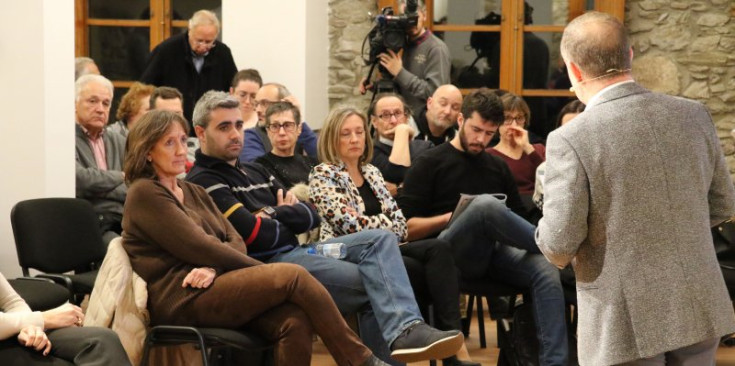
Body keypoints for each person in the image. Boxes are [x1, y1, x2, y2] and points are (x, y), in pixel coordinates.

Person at [185, 91, 463, 365]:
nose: (235, 134)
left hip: (301, 249)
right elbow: (253, 234)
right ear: (200, 132)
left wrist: (272, 214)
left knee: (379, 241)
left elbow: (310, 216)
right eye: (224, 127)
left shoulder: (252, 170)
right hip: (271, 265)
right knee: (376, 280)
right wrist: (282, 213)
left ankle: (407, 330)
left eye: (237, 125)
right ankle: (399, 338)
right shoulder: (205, 179)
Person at [536, 11, 735, 366]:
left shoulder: (571, 138)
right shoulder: (695, 115)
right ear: (629, 55)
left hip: (623, 316)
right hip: (698, 299)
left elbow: (558, 245)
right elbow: (721, 205)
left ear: (574, 70)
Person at [121, 109, 391, 366]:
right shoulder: (144, 193)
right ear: (147, 152)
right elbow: (198, 245)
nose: (181, 150)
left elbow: (234, 237)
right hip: (181, 296)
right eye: (169, 143)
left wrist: (214, 267)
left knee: (294, 321)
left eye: (182, 140)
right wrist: (262, 270)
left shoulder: (192, 190)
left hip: (215, 282)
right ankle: (361, 359)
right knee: (292, 275)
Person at [399, 88, 569, 366]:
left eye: (489, 133)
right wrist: (452, 216)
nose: (480, 139)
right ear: (461, 120)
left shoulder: (496, 166)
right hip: (446, 255)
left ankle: (554, 363)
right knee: (485, 206)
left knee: (545, 267)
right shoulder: (430, 162)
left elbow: (516, 219)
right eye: (476, 129)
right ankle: (559, 247)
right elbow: (405, 228)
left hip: (494, 255)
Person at [309, 106, 478, 366]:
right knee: (417, 269)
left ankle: (453, 346)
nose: (354, 139)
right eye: (345, 134)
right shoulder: (323, 174)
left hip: (386, 246)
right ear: (332, 138)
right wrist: (383, 224)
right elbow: (349, 226)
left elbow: (401, 224)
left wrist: (379, 224)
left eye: (358, 133)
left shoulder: (372, 172)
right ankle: (410, 334)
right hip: (346, 252)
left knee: (439, 248)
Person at [0, 273, 130, 365]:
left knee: (101, 341)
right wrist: (43, 318)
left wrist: (30, 328)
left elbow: (11, 302)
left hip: (8, 327)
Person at [140, 10, 237, 129]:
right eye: (199, 40)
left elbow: (232, 89)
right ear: (190, 31)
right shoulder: (167, 50)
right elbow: (145, 87)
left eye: (209, 42)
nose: (203, 46)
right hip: (170, 122)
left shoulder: (223, 53)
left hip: (209, 123)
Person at [360, 0, 451, 115]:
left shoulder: (436, 48)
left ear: (424, 15)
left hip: (425, 125)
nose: (410, 22)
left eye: (414, 16)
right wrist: (375, 85)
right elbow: (405, 86)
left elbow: (435, 94)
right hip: (406, 120)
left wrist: (399, 72)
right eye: (405, 17)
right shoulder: (404, 44)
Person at [75, 74, 127, 244]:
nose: (100, 109)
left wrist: (98, 187)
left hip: (124, 218)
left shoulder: (119, 140)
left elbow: (135, 183)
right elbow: (80, 181)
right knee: (121, 251)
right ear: (74, 104)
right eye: (92, 101)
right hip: (90, 222)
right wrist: (120, 176)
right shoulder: (64, 141)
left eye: (106, 103)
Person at [487, 93, 545, 223]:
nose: (514, 124)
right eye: (507, 118)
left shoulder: (538, 149)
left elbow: (552, 179)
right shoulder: (489, 155)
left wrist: (527, 147)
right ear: (497, 122)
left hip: (541, 212)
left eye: (519, 118)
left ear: (525, 120)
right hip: (508, 214)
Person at [369, 93, 433, 196]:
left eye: (398, 113)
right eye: (385, 115)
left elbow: (431, 186)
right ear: (374, 121)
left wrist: (399, 188)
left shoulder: (426, 147)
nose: (394, 121)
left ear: (407, 117)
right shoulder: (369, 152)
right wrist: (402, 132)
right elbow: (398, 173)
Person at [240, 83, 318, 162]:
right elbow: (256, 169)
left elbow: (322, 157)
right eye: (256, 104)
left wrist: (298, 118)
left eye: (265, 103)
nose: (258, 110)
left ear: (283, 105)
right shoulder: (250, 136)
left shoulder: (297, 132)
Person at [532, 99, 584, 211]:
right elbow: (549, 214)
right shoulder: (545, 169)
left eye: (578, 129)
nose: (571, 136)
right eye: (565, 130)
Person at [254, 102, 318, 190]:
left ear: (299, 129)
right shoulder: (259, 166)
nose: (281, 133)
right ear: (268, 131)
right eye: (275, 126)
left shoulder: (314, 165)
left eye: (287, 125)